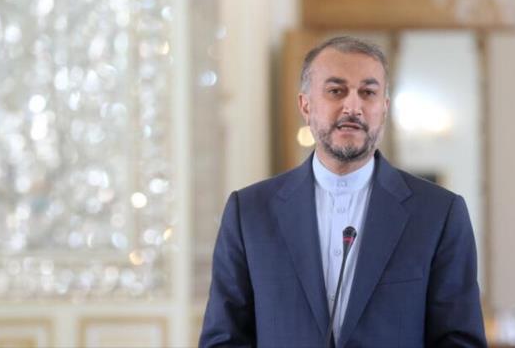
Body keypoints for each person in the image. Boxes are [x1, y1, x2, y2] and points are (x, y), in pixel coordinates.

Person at [200, 36, 486, 347]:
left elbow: (459, 340)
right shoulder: (249, 212)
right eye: (336, 91)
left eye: (368, 92)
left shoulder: (439, 214)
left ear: (384, 108)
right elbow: (223, 339)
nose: (353, 107)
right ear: (306, 105)